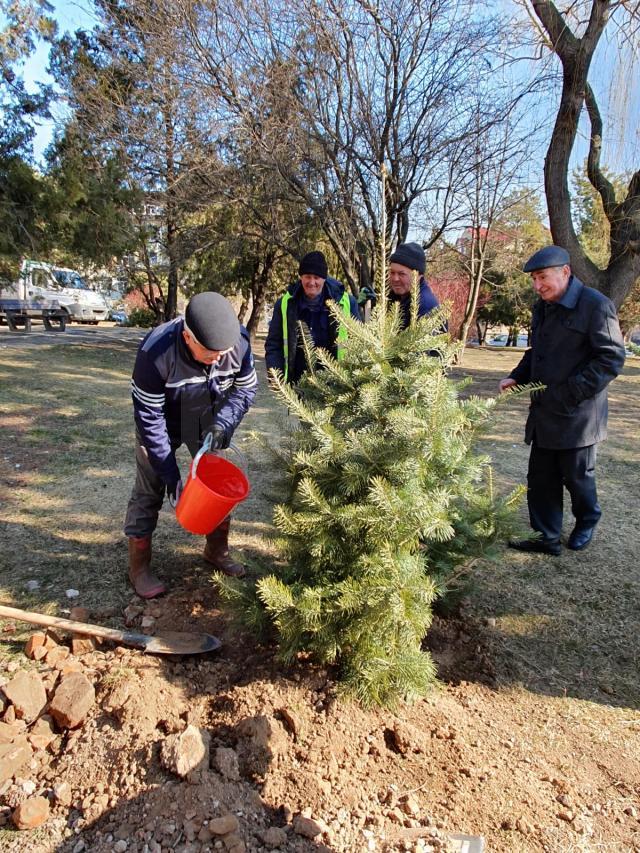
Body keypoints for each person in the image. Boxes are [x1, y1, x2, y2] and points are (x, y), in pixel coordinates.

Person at [124, 292, 258, 598]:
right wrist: (172, 478)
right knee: (150, 488)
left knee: (218, 485)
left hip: (208, 420)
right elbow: (150, 420)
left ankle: (216, 550)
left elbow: (246, 388)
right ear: (187, 337)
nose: (221, 358)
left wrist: (223, 424)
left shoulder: (237, 341)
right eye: (212, 354)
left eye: (225, 352)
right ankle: (139, 567)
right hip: (164, 421)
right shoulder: (154, 354)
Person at [499, 246, 625, 555]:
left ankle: (587, 519)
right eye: (534, 279)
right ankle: (547, 537)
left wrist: (570, 393)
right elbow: (537, 352)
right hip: (544, 411)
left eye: (542, 277)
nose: (537, 286)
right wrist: (518, 375)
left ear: (565, 272)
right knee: (541, 478)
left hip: (578, 415)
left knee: (577, 478)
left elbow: (610, 359)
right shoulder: (542, 307)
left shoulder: (596, 305)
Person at [265, 250, 360, 384]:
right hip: (297, 384)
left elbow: (359, 342)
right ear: (301, 277)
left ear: (324, 278)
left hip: (336, 385)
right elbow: (274, 344)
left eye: (316, 277)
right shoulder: (285, 304)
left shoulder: (347, 303)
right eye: (307, 276)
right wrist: (275, 375)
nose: (312, 282)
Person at [388, 242, 440, 327]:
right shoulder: (396, 297)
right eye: (392, 272)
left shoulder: (426, 308)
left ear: (418, 276)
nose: (395, 279)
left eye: (401, 274)